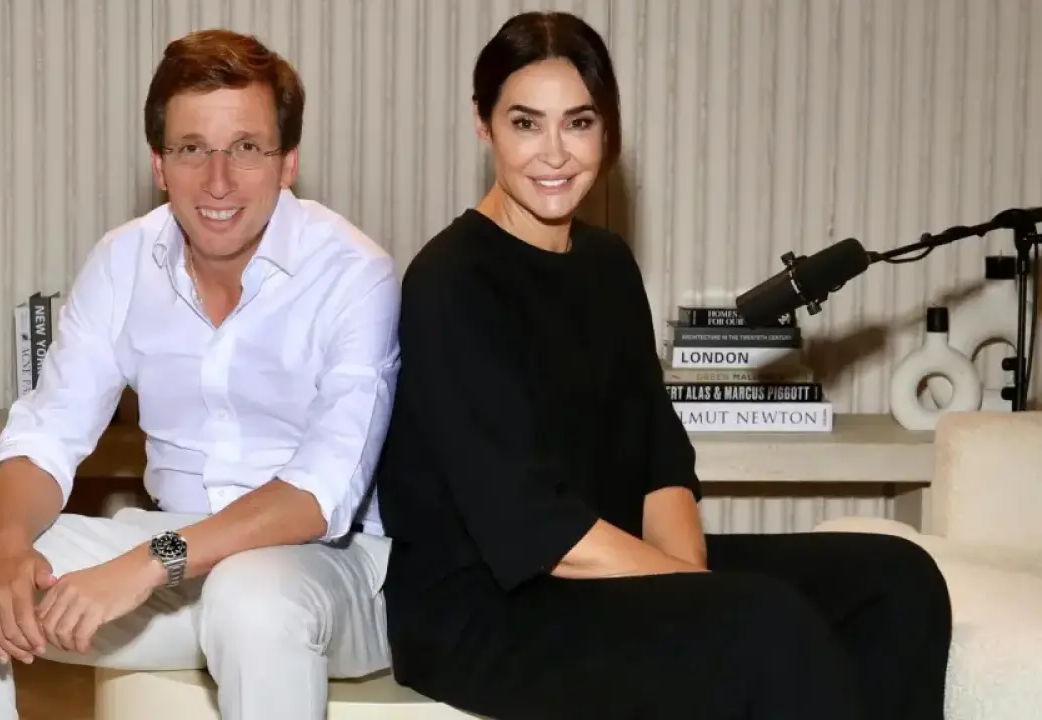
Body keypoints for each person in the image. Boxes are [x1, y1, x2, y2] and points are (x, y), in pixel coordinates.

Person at [374, 11, 952, 720]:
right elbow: (532, 528)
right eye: (526, 123)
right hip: (487, 608)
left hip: (601, 569)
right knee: (764, 624)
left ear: (608, 128)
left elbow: (659, 457)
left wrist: (690, 585)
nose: (554, 153)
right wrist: (696, 596)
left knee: (897, 580)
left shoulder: (607, 263)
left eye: (579, 123)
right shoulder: (451, 282)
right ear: (483, 124)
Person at [0, 29, 400, 720]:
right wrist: (7, 546)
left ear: (288, 162)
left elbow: (321, 494)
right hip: (175, 568)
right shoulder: (123, 260)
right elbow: (48, 432)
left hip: (326, 572)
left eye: (246, 148)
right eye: (192, 149)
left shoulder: (354, 273)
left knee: (250, 596)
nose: (217, 181)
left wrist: (147, 562)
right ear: (160, 165)